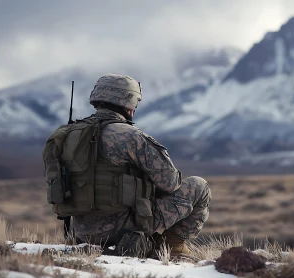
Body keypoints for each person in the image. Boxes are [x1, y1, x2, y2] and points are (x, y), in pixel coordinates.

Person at [43, 73, 211, 258]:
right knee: (199, 186)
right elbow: (171, 182)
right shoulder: (130, 136)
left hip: (81, 231)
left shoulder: (65, 135)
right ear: (129, 102)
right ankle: (172, 246)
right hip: (125, 231)